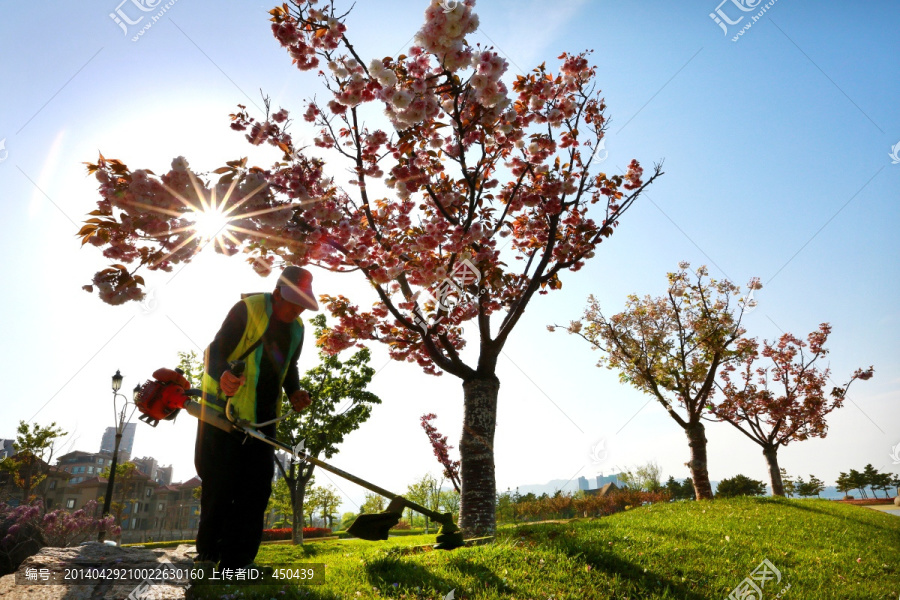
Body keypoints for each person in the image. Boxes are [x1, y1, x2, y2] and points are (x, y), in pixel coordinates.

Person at [193, 266, 318, 573]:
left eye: (302, 304)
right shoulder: (247, 309)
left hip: (263, 422)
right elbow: (214, 352)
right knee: (220, 485)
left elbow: (288, 367)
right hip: (224, 412)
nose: (296, 309)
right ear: (276, 294)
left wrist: (294, 391)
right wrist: (222, 375)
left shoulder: (298, 328)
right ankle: (208, 556)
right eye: (291, 302)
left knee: (256, 490)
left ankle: (239, 561)